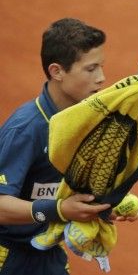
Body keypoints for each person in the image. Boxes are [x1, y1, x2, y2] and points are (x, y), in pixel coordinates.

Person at [0, 18, 112, 275]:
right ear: (57, 71)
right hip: (8, 257)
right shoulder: (26, 129)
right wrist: (59, 209)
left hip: (49, 253)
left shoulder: (87, 119)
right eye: (90, 69)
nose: (102, 78)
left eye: (101, 67)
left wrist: (103, 208)